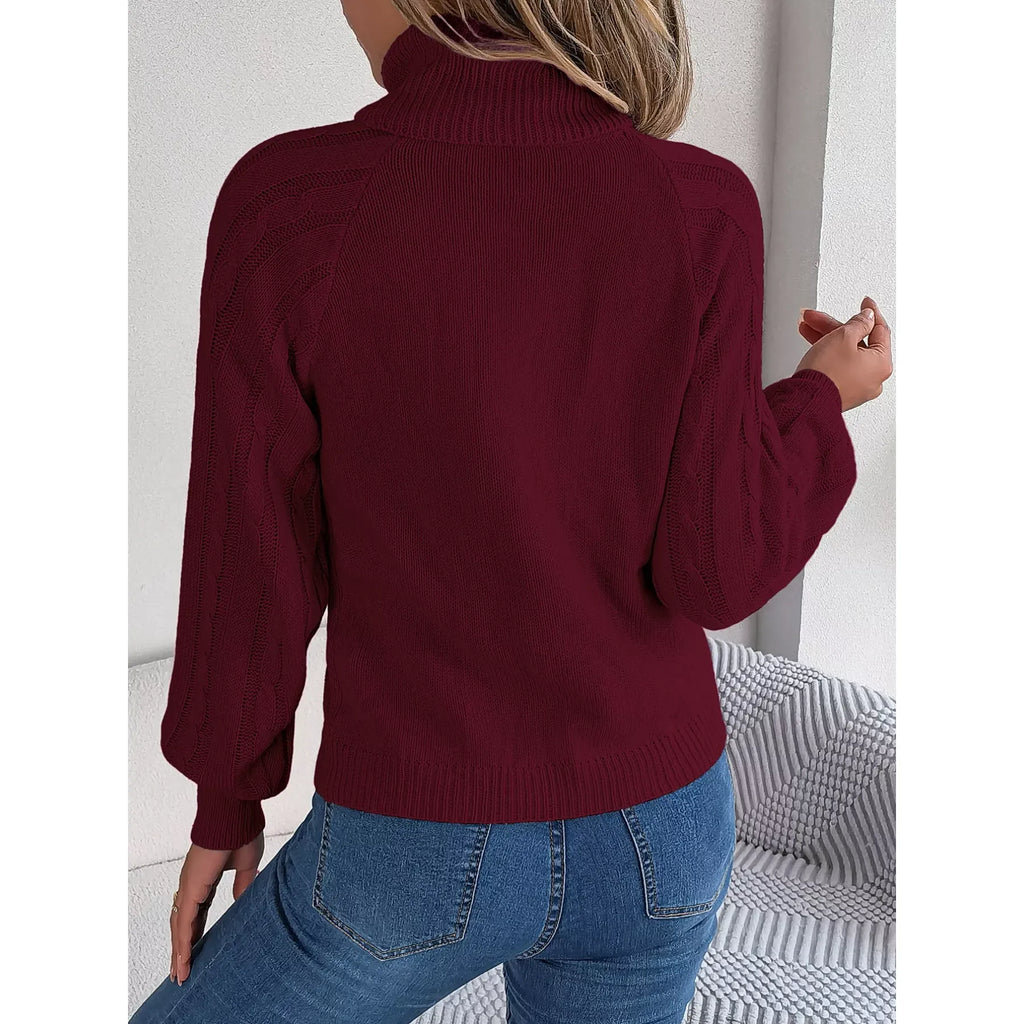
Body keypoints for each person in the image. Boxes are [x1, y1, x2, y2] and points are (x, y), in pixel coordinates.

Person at [129, 1, 892, 1021]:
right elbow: (719, 564)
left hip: (412, 844)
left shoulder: (291, 205)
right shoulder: (704, 205)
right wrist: (817, 398)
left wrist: (227, 797)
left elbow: (250, 557)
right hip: (663, 834)